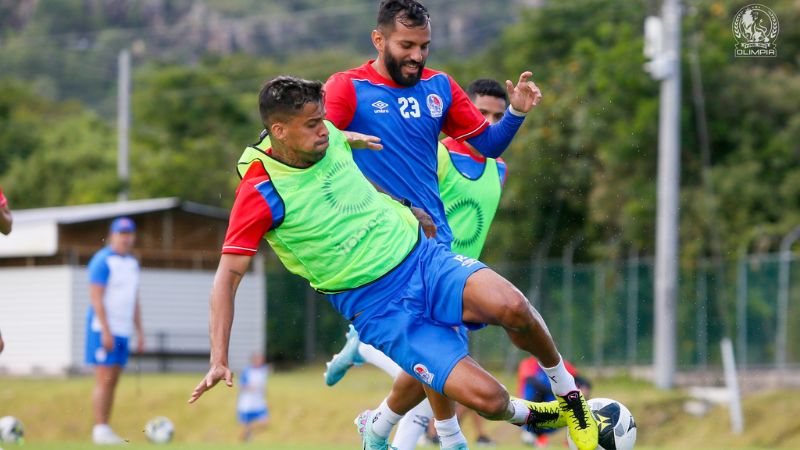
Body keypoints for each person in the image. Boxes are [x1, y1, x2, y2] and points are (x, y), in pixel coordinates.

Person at [187, 76, 597, 450]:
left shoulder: (327, 134)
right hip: (380, 307)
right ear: (279, 132)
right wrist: (218, 357)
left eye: (323, 120)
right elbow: (227, 277)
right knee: (490, 402)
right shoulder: (260, 191)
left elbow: (351, 173)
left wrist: (404, 206)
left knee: (513, 307)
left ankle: (571, 401)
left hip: (423, 259)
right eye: (312, 124)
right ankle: (527, 416)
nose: (323, 129)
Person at [323, 2, 559, 447]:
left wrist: (517, 114)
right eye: (406, 45)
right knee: (444, 360)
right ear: (379, 40)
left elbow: (488, 144)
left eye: (424, 46)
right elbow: (314, 157)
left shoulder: (442, 93)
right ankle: (433, 435)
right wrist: (342, 143)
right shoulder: (348, 89)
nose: (417, 55)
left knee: (446, 356)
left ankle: (382, 429)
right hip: (386, 258)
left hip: (440, 251)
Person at [323, 78, 512, 449]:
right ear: (463, 116)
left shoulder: (499, 169)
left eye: (498, 116)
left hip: (461, 275)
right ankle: (410, 431)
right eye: (481, 114)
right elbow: (409, 198)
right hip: (424, 271)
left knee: (435, 372)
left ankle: (374, 405)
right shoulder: (437, 154)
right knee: (439, 370)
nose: (488, 123)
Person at [85, 217, 144, 444]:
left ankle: (105, 428)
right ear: (112, 236)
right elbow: (96, 298)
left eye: (129, 233)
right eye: (122, 233)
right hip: (102, 330)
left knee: (114, 380)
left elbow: (134, 299)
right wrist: (106, 331)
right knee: (104, 380)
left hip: (123, 329)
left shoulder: (132, 263)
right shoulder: (102, 261)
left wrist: (139, 331)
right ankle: (99, 429)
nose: (126, 238)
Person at [518, 357, 593, 447]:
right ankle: (534, 433)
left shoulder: (561, 363)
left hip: (557, 403)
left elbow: (581, 380)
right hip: (534, 403)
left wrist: (584, 388)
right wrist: (558, 392)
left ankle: (577, 435)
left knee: (576, 397)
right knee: (538, 389)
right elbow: (532, 382)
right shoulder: (528, 363)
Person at [238, 353, 271, 442]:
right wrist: (250, 387)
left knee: (265, 423)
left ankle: (248, 432)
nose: (261, 361)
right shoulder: (247, 371)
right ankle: (246, 436)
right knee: (246, 425)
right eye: (259, 359)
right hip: (247, 403)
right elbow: (241, 385)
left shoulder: (263, 370)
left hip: (259, 402)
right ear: (254, 360)